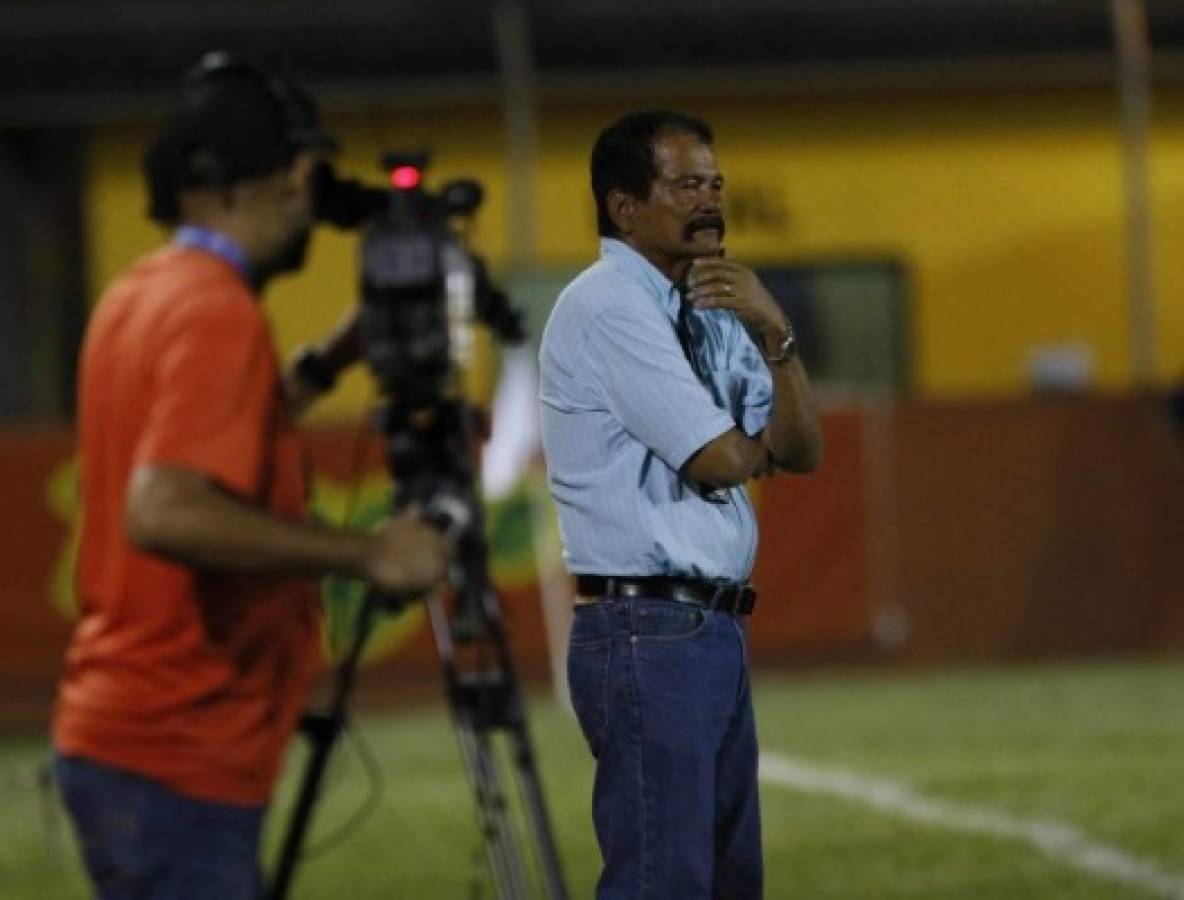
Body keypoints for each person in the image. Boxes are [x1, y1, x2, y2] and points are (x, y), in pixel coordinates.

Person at [51, 52, 451, 899]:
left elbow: (219, 432)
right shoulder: (216, 309)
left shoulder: (144, 291)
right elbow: (163, 509)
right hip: (177, 748)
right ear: (297, 172)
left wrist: (337, 354)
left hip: (129, 738)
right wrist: (367, 554)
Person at [539, 110, 823, 899]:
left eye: (715, 182)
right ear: (625, 205)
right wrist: (753, 446)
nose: (710, 199)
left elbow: (802, 449)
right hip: (646, 630)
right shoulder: (607, 307)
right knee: (662, 881)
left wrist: (775, 329)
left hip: (706, 630)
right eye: (686, 183)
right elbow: (724, 456)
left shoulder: (715, 301)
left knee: (729, 882)